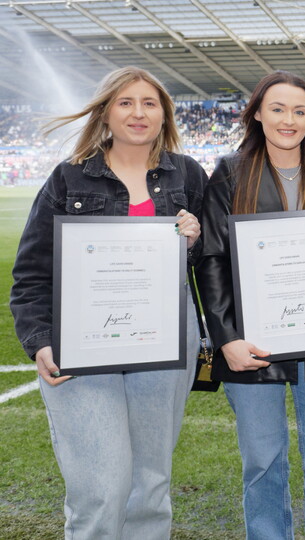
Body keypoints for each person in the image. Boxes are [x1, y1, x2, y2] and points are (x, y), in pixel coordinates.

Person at [10, 66, 204, 539]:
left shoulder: (188, 174)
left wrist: (195, 241)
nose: (138, 112)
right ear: (105, 113)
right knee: (102, 487)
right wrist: (41, 340)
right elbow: (32, 271)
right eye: (125, 102)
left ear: (164, 114)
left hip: (163, 341)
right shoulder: (69, 177)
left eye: (149, 103)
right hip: (82, 342)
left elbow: (213, 262)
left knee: (150, 484)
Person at [195, 70, 305, 540]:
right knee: (263, 464)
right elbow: (211, 259)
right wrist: (226, 339)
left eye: (299, 111)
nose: (288, 119)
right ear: (257, 114)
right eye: (277, 109)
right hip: (252, 345)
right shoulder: (230, 172)